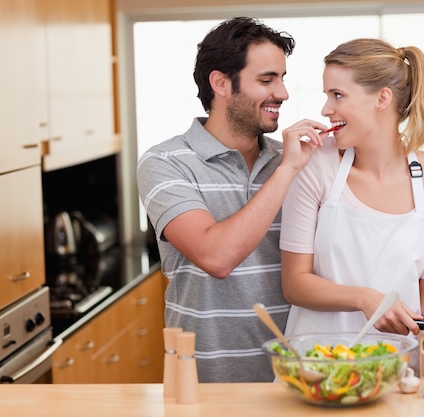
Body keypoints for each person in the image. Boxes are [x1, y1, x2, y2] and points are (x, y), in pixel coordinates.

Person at [279, 38, 424, 361]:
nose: (326, 109)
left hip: (396, 368)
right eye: (327, 95)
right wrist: (364, 298)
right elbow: (295, 283)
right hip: (315, 367)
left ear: (382, 98)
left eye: (337, 95)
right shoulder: (314, 165)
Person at [136, 17, 329, 383]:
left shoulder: (293, 158)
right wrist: (286, 170)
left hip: (299, 381)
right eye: (267, 79)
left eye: (282, 78)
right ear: (221, 83)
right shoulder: (165, 163)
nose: (283, 93)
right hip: (208, 385)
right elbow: (216, 257)